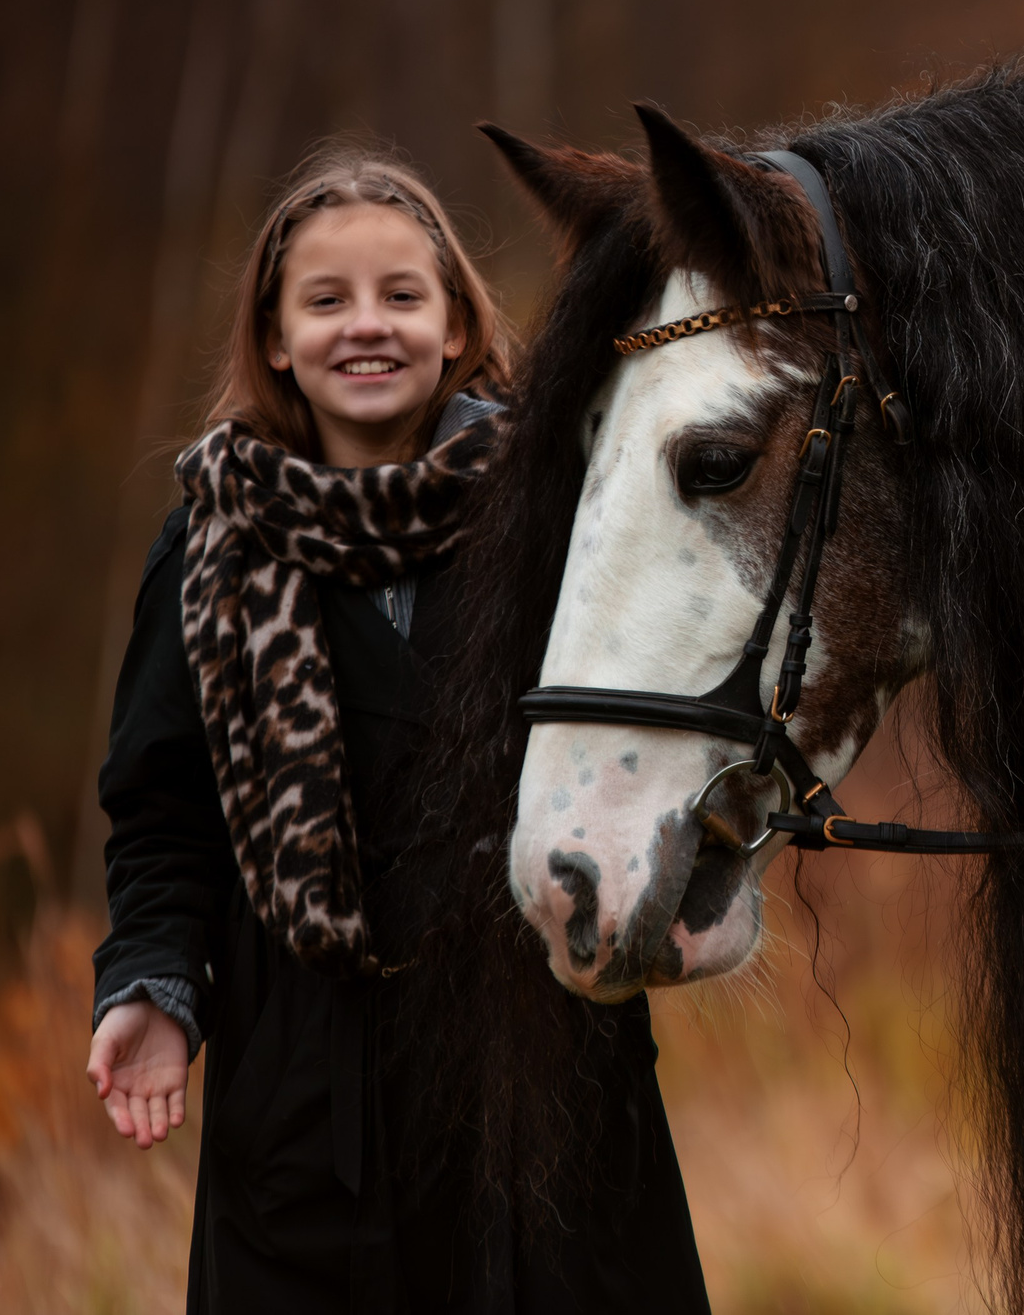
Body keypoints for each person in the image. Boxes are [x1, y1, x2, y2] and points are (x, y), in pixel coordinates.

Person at [84, 147, 711, 1312]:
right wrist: (153, 984)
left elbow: (661, 733)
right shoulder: (208, 548)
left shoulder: (563, 518)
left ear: (459, 320)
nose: (364, 326)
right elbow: (160, 813)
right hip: (308, 1107)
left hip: (542, 1074)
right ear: (274, 336)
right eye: (326, 299)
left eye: (400, 295)